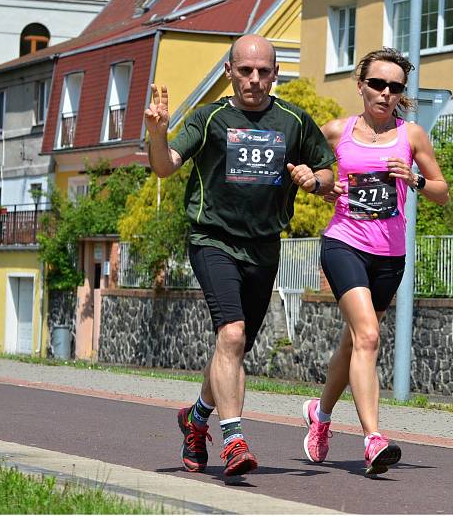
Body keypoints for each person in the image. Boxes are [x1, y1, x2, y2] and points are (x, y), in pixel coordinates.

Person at [144, 34, 336, 477]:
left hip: (264, 247)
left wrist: (314, 178)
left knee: (234, 348)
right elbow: (165, 164)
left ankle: (195, 420)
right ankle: (234, 441)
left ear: (275, 74)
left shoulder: (293, 120)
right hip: (213, 240)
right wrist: (156, 135)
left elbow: (327, 173)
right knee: (230, 335)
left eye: (263, 71)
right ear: (229, 71)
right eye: (245, 70)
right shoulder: (210, 117)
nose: (254, 79)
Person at [301, 47, 449, 476]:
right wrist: (320, 184)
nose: (386, 93)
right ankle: (373, 439)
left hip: (389, 257)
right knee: (367, 337)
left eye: (396, 87)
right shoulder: (336, 131)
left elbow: (442, 190)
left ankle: (321, 414)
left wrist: (415, 179)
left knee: (353, 343)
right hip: (344, 244)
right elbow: (309, 168)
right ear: (361, 84)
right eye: (378, 84)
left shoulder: (413, 136)